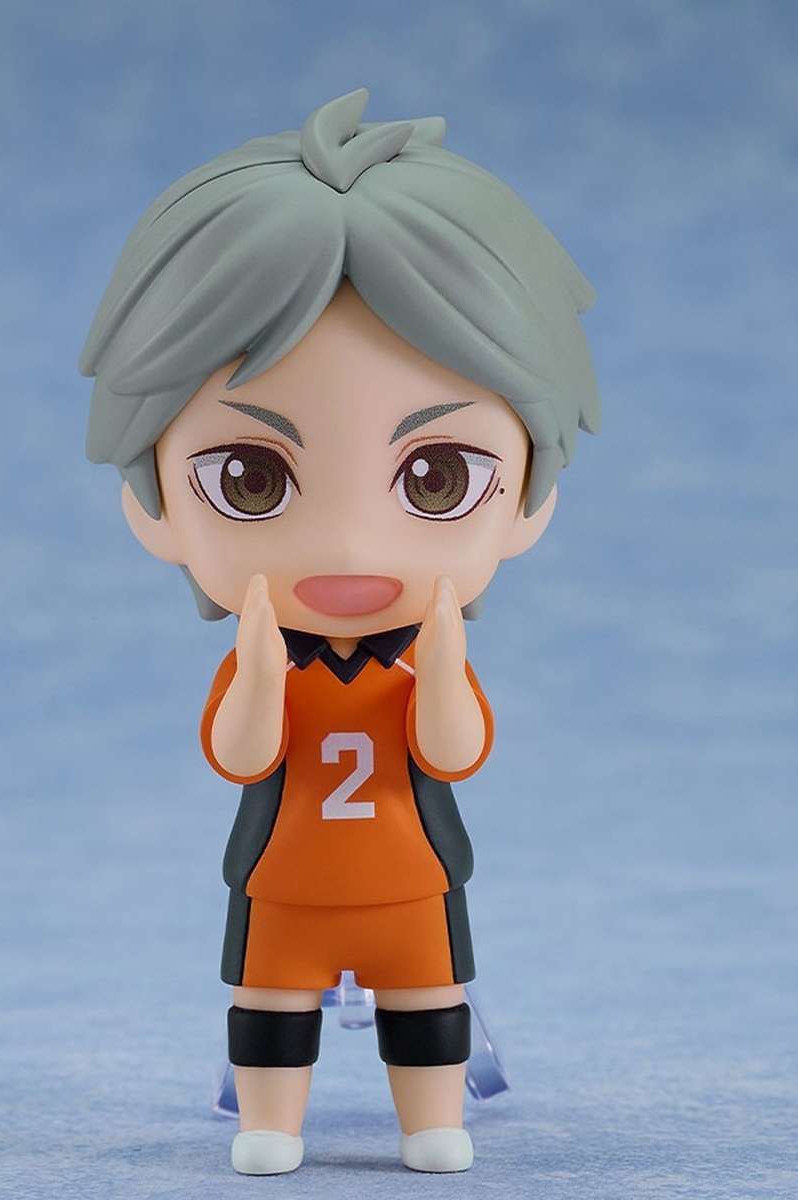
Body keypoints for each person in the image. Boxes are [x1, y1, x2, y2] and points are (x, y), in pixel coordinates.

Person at [79, 86, 600, 1176]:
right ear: (152, 505)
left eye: (438, 476)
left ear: (529, 501)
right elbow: (241, 755)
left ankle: (432, 1120)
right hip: (282, 879)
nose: (353, 545)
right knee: (270, 1004)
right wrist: (258, 671)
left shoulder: (422, 658)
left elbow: (453, 752)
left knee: (428, 998)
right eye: (251, 478)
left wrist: (445, 666)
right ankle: (272, 1123)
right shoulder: (263, 658)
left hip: (413, 877)